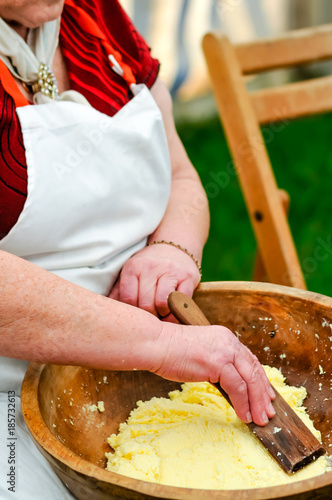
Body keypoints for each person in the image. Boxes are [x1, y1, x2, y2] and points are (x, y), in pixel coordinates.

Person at [0, 0, 275, 497]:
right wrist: (161, 345)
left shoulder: (94, 15)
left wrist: (173, 249)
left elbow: (181, 175)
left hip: (147, 361)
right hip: (9, 392)